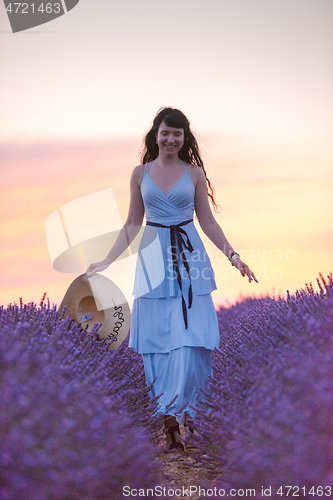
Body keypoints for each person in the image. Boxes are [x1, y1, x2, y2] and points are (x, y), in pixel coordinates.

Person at [86, 107, 258, 451]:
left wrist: (234, 255)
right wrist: (106, 260)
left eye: (177, 134)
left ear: (184, 138)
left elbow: (208, 222)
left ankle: (191, 412)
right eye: (165, 133)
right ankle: (167, 417)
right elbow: (133, 224)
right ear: (156, 135)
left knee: (193, 339)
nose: (170, 139)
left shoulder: (193, 174)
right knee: (156, 341)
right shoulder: (139, 173)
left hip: (190, 254)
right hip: (152, 256)